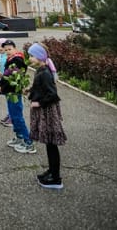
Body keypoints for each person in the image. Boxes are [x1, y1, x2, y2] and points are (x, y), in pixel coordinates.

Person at [28, 43, 67, 189]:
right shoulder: (41, 69)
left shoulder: (44, 73)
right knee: (49, 145)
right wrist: (30, 91)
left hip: (48, 113)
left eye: (32, 55)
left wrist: (39, 103)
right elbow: (39, 88)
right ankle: (51, 171)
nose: (30, 58)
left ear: (39, 56)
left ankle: (56, 178)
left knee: (51, 145)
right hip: (45, 112)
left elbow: (53, 95)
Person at [0, 40, 36, 154]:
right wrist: (0, 84)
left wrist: (2, 84)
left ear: (15, 48)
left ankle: (28, 142)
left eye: (10, 49)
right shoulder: (10, 59)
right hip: (9, 91)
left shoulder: (18, 60)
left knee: (17, 116)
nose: (7, 52)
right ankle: (19, 137)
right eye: (5, 50)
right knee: (13, 116)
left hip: (14, 91)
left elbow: (12, 77)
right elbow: (5, 74)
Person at [0, 38, 11, 127]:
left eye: (2, 46)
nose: (0, 48)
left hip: (7, 81)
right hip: (1, 80)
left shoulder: (8, 57)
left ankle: (11, 117)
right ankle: (9, 114)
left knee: (10, 99)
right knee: (7, 99)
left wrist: (3, 75)